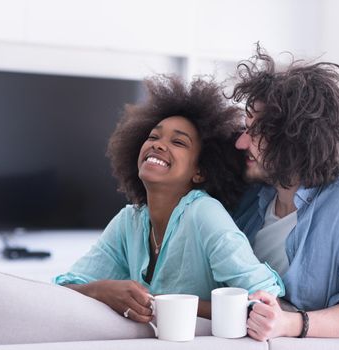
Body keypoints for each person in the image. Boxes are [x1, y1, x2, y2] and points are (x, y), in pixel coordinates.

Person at [54, 75, 284, 322]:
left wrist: (164, 305)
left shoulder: (204, 213)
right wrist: (102, 291)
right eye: (153, 137)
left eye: (178, 142)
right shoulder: (129, 222)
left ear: (200, 171)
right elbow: (64, 290)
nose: (159, 145)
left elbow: (264, 299)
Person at [229, 45, 339, 340]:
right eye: (246, 127)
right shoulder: (251, 197)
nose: (242, 143)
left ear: (294, 138)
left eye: (256, 131)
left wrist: (288, 324)